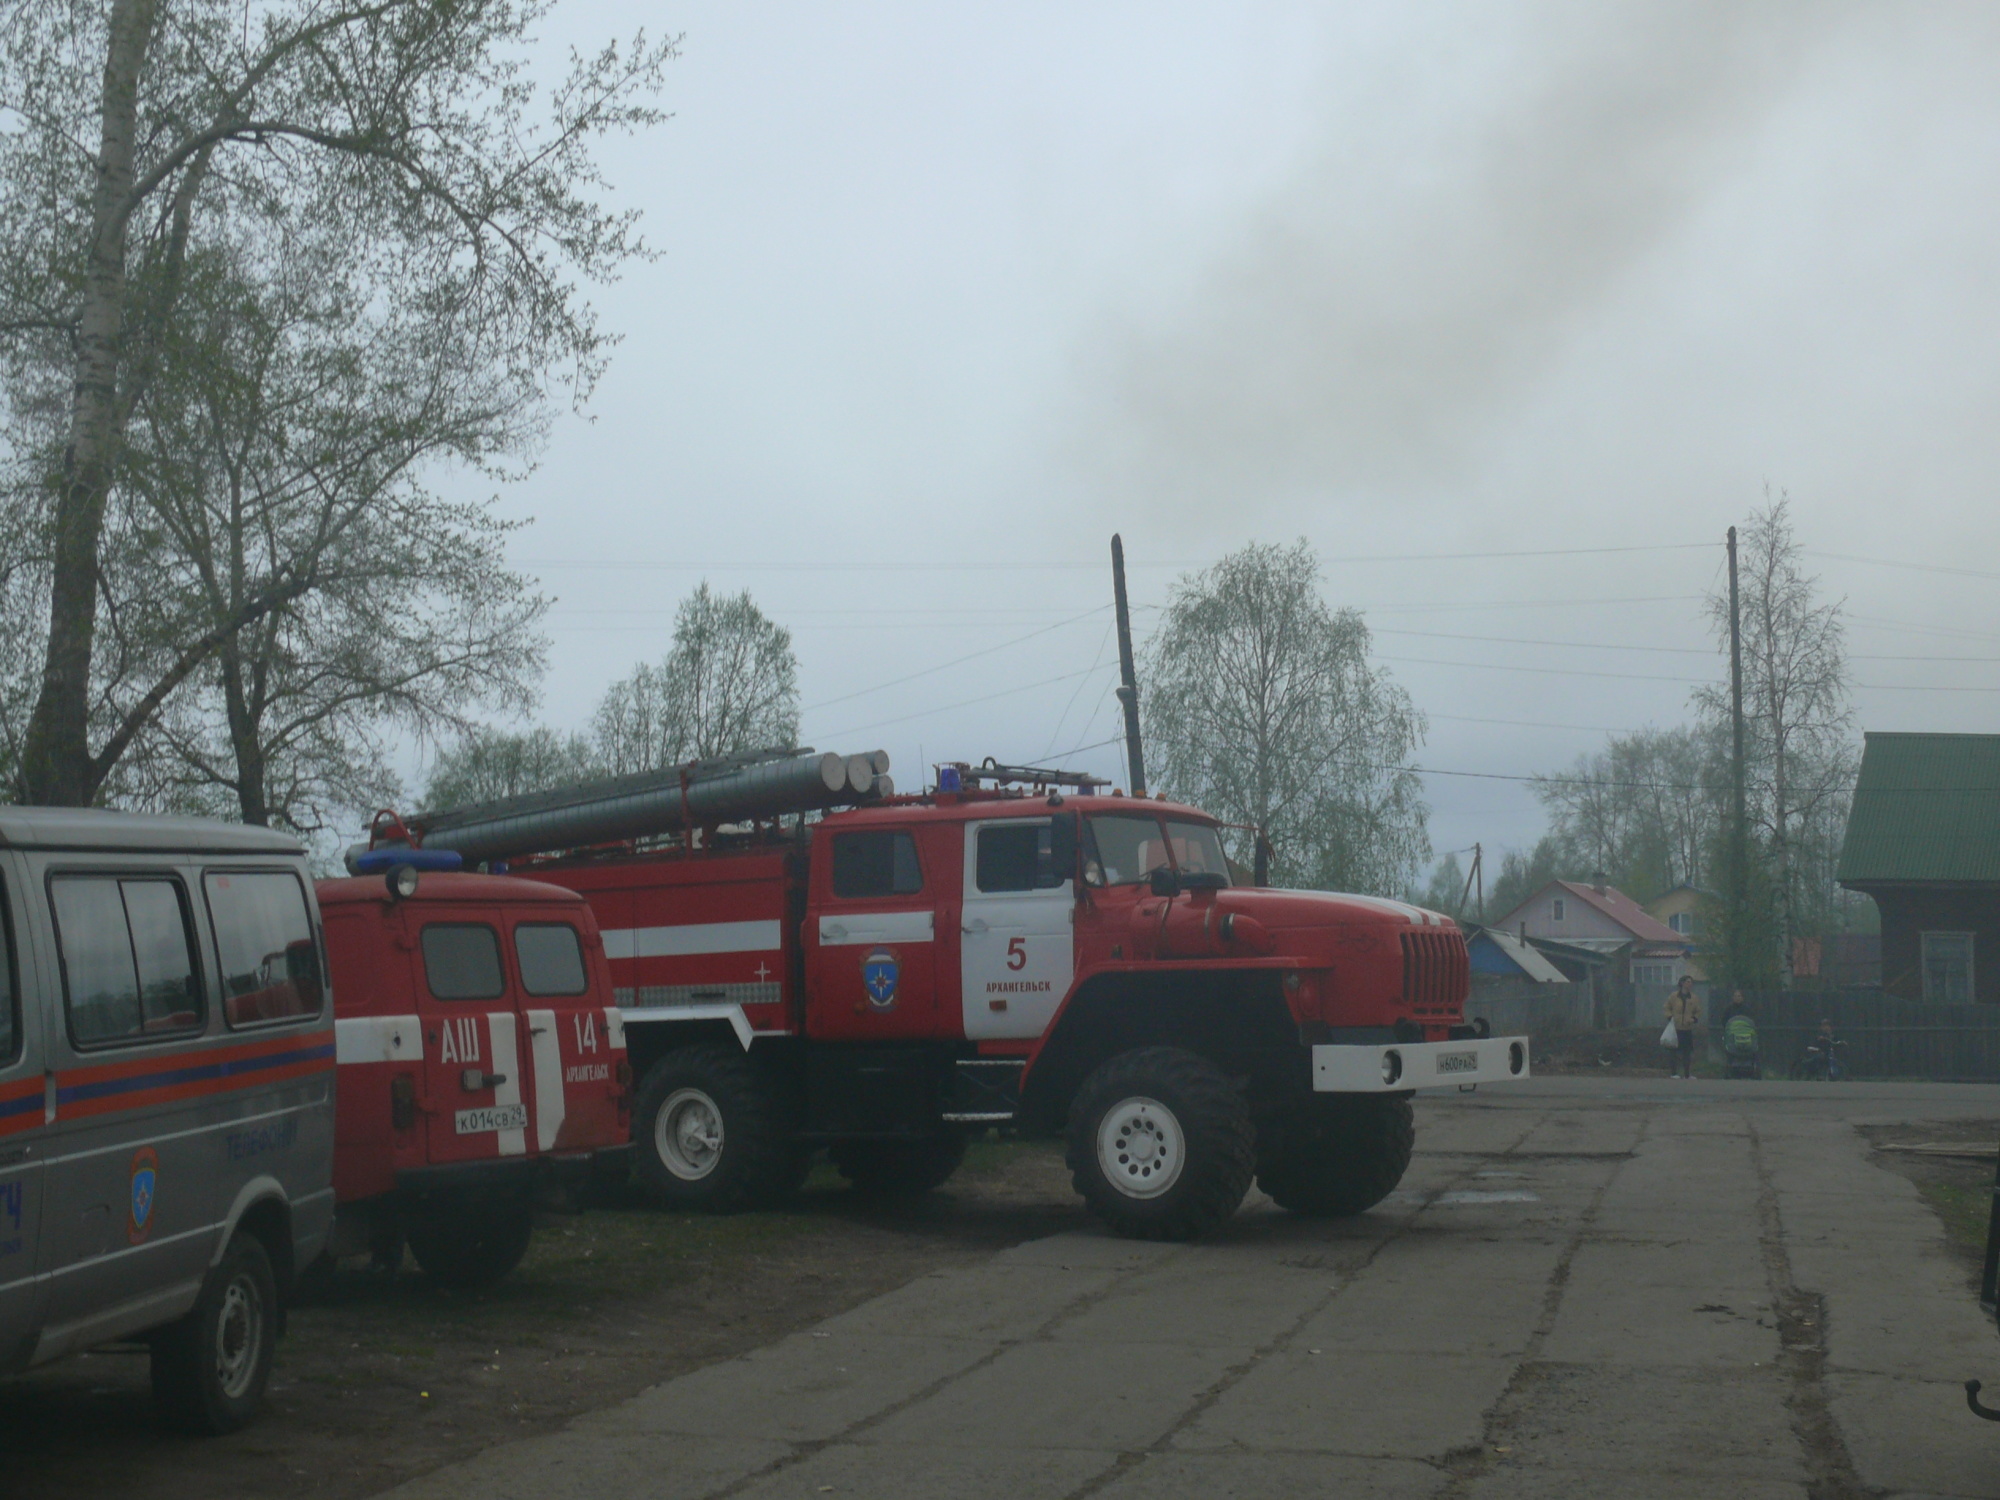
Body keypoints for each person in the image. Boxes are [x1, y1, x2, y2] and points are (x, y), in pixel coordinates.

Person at [1664, 975, 1701, 1079]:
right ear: (1682, 983)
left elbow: (1698, 1011)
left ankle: (1687, 1074)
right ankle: (1674, 1073)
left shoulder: (1694, 997)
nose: (1690, 984)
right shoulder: (1674, 996)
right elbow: (1666, 1007)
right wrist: (1670, 1017)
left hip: (1687, 1029)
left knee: (1687, 1052)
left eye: (1691, 982)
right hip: (1675, 1028)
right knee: (1673, 1052)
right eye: (1688, 982)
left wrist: (1694, 1019)